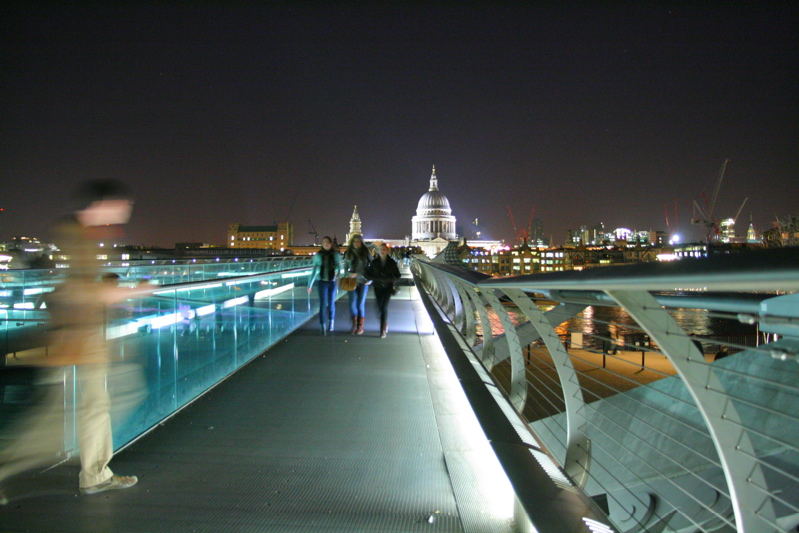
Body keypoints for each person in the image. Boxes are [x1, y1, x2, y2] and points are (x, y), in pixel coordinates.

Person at [0, 179, 142, 500]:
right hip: (73, 336)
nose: (126, 211)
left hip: (86, 335)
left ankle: (95, 474)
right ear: (104, 203)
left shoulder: (90, 235)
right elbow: (76, 288)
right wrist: (119, 292)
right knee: (56, 421)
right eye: (123, 205)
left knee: (98, 404)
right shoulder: (73, 233)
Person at [307, 236, 343, 335]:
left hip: (332, 281)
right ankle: (322, 324)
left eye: (327, 242)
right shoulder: (318, 255)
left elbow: (339, 267)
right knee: (323, 304)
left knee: (331, 303)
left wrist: (338, 277)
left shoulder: (335, 254)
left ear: (331, 244)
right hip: (322, 282)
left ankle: (331, 322)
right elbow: (314, 270)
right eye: (324, 242)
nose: (326, 244)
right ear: (322, 244)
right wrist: (309, 284)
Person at [365, 243, 401, 338]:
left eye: (384, 249)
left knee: (384, 308)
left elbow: (398, 275)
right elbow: (368, 274)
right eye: (381, 249)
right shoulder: (374, 262)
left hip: (388, 287)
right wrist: (373, 278)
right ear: (378, 251)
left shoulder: (392, 262)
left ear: (387, 251)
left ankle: (382, 330)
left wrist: (389, 278)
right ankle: (384, 322)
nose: (382, 251)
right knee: (379, 307)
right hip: (377, 287)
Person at [343, 234, 372, 335]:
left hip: (363, 281)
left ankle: (360, 326)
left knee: (360, 304)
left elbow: (372, 267)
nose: (356, 243)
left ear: (361, 242)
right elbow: (345, 268)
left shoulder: (366, 253)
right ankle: (354, 325)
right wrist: (348, 274)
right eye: (355, 241)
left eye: (358, 241)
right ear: (352, 242)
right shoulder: (348, 253)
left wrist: (370, 279)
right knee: (352, 304)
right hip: (351, 282)